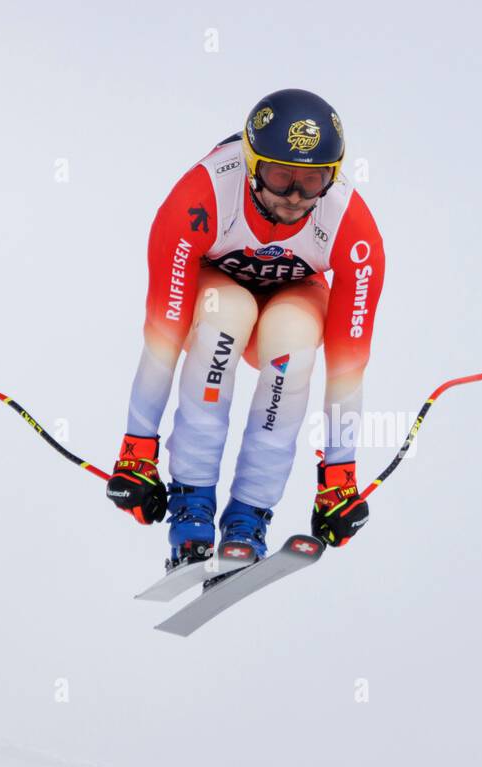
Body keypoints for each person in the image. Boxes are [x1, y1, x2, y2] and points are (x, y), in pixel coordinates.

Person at [106, 89, 385, 571]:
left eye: (312, 181)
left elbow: (347, 366)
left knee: (294, 346)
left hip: (294, 298)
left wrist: (339, 473)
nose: (295, 197)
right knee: (221, 320)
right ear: (253, 165)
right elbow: (162, 338)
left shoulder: (350, 226)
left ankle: (248, 517)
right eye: (280, 177)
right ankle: (191, 503)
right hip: (219, 292)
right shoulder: (202, 194)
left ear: (333, 176)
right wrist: (137, 449)